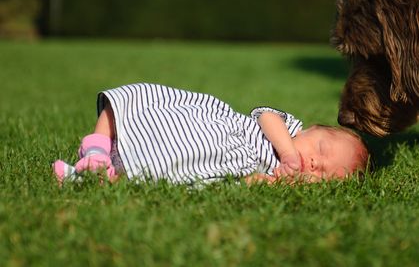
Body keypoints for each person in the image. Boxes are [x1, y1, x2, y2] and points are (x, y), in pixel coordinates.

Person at [53, 83, 370, 185]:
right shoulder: (289, 129)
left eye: (325, 173)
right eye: (321, 149)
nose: (315, 163)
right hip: (205, 124)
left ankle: (92, 175)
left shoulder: (276, 177)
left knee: (169, 171)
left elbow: (247, 182)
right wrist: (286, 151)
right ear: (310, 130)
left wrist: (271, 180)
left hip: (205, 156)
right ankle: (96, 149)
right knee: (138, 100)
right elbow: (266, 116)